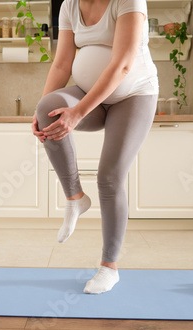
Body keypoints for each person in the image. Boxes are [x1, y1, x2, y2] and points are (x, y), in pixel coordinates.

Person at [32, 0, 159, 294]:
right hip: (90, 95)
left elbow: (123, 63)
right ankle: (75, 196)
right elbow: (63, 62)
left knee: (110, 178)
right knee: (47, 108)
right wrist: (40, 112)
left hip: (133, 96)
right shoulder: (69, 6)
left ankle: (109, 268)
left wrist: (78, 113)